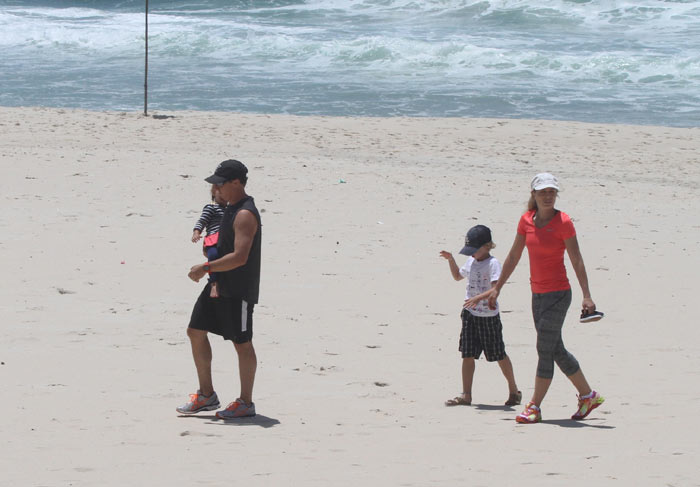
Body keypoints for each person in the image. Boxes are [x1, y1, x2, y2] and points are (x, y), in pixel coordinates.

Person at [487, 173, 604, 424]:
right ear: (534, 195)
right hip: (537, 295)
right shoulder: (526, 221)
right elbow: (514, 255)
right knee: (555, 348)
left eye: (552, 192)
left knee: (544, 349)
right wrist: (498, 288)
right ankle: (588, 396)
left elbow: (577, 258)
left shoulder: (563, 222)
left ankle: (534, 407)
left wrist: (586, 295)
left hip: (559, 294)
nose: (548, 196)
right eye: (543, 192)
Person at [176, 159, 262, 419]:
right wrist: (211, 249)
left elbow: (239, 257)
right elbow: (225, 244)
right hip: (217, 283)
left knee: (242, 344)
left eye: (220, 184)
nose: (216, 189)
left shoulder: (245, 213)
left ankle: (245, 402)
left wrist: (205, 266)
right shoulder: (229, 208)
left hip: (238, 289)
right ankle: (206, 395)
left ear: (236, 183)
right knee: (195, 331)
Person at [440, 225, 521, 407]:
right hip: (470, 314)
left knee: (498, 354)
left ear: (487, 246)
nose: (472, 254)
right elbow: (457, 277)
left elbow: (495, 288)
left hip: (488, 317)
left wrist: (478, 297)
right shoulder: (470, 262)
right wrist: (451, 259)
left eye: (475, 250)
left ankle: (514, 391)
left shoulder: (493, 264)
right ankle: (466, 395)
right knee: (467, 354)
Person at [191, 185, 227, 298]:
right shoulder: (211, 207)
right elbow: (202, 221)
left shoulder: (230, 210)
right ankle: (214, 283)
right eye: (219, 192)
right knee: (213, 256)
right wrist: (196, 232)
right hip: (214, 237)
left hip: (226, 239)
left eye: (225, 193)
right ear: (213, 192)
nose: (222, 195)